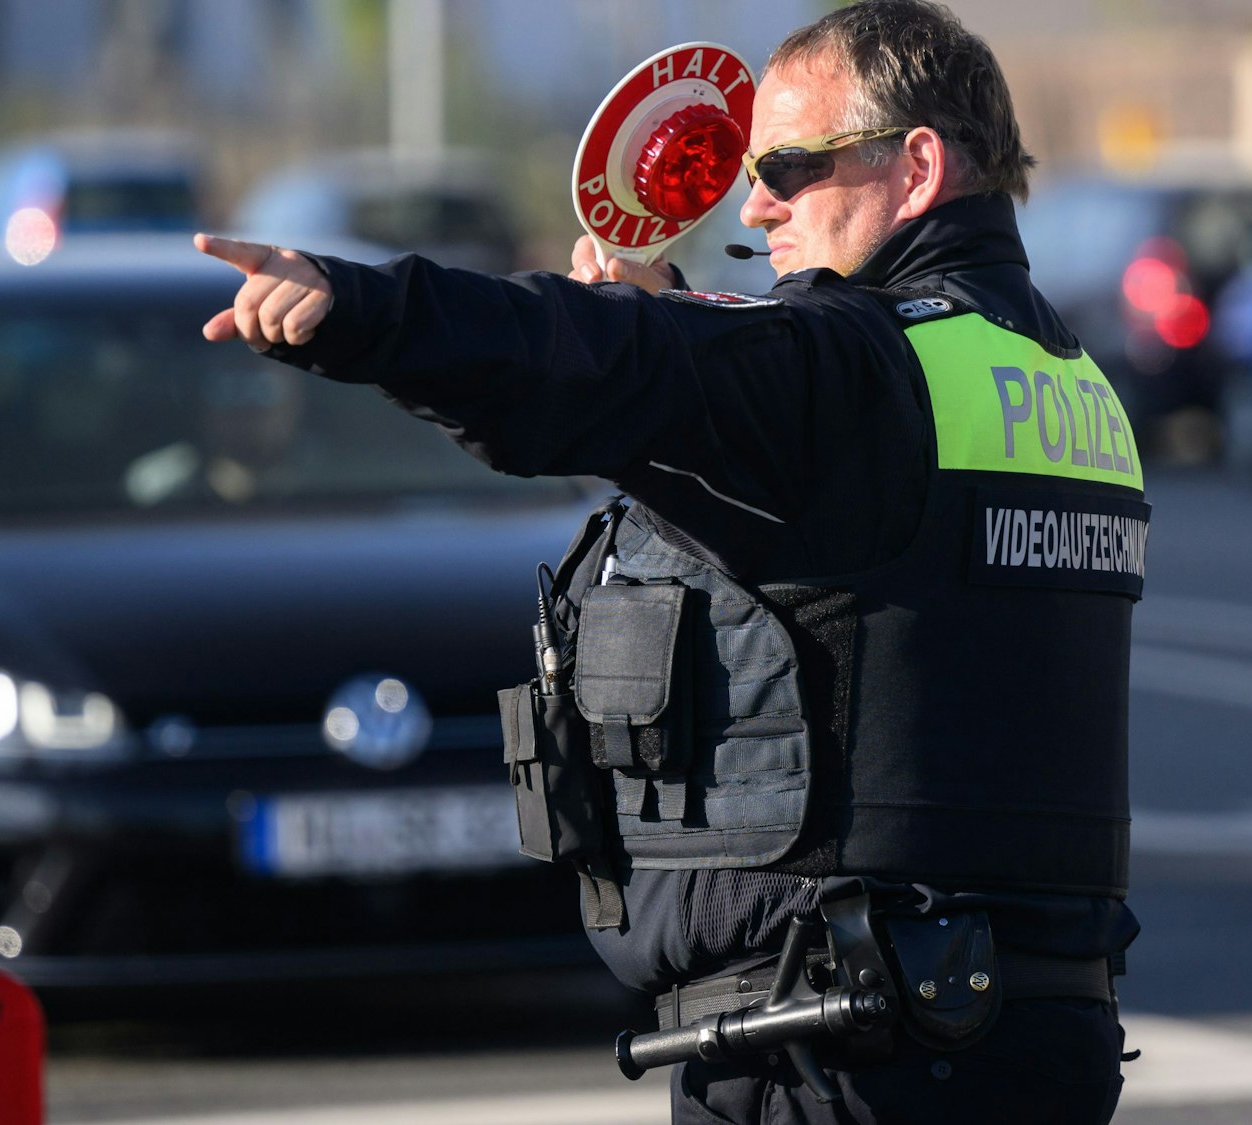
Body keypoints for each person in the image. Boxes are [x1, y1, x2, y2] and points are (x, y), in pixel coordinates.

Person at [196, 2, 1143, 1121]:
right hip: (1018, 1032)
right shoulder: (1057, 379)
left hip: (846, 1058)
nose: (755, 205)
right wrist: (675, 339)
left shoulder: (863, 378)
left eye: (788, 168)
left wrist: (363, 310)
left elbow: (609, 365)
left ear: (917, 164)